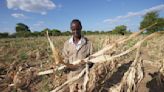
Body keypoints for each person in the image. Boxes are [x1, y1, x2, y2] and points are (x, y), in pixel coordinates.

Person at [62, 19, 93, 92]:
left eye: (77, 29)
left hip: (83, 77)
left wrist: (89, 63)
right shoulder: (67, 44)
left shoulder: (88, 43)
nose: (75, 31)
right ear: (71, 29)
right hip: (71, 77)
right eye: (73, 29)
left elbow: (92, 59)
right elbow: (65, 58)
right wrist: (64, 66)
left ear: (81, 28)